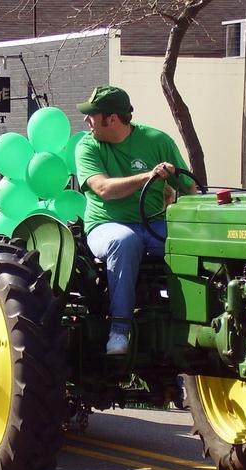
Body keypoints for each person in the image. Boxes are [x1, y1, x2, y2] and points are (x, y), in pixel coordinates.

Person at [75, 85, 195, 355]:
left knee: (190, 243)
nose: (86, 120)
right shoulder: (87, 145)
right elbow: (104, 189)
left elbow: (189, 187)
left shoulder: (157, 141)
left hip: (153, 225)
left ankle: (193, 323)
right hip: (105, 228)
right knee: (124, 241)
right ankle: (119, 332)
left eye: (92, 115)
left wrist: (177, 180)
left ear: (112, 119)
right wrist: (148, 176)